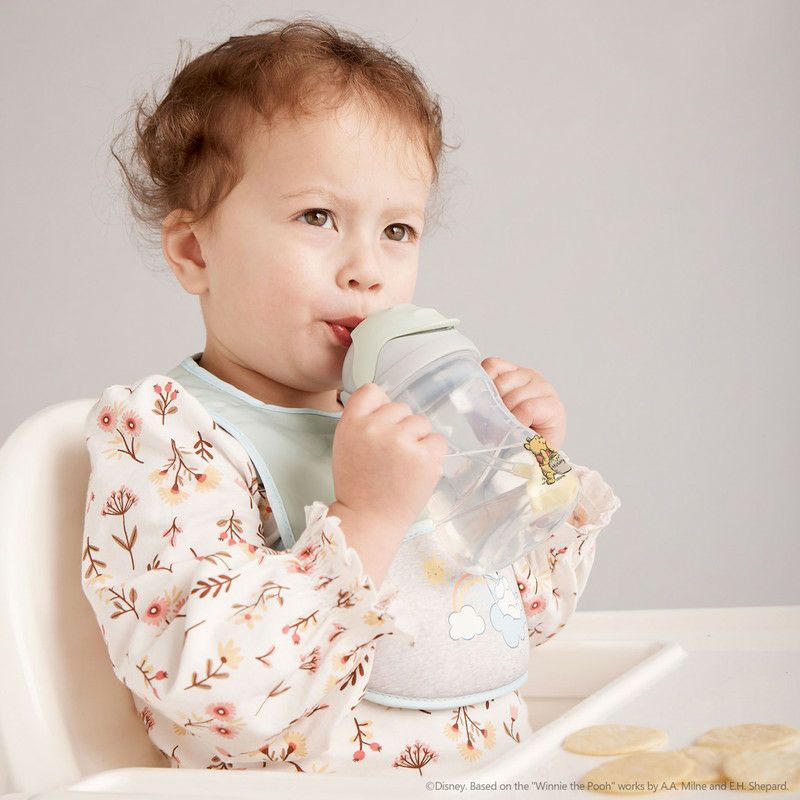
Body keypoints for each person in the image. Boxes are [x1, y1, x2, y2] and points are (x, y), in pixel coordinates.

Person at [81, 16, 621, 775]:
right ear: (196, 250)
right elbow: (215, 691)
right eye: (318, 217)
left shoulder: (417, 422)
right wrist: (365, 518)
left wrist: (522, 467)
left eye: (397, 230)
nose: (366, 268)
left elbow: (520, 623)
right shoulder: (169, 437)